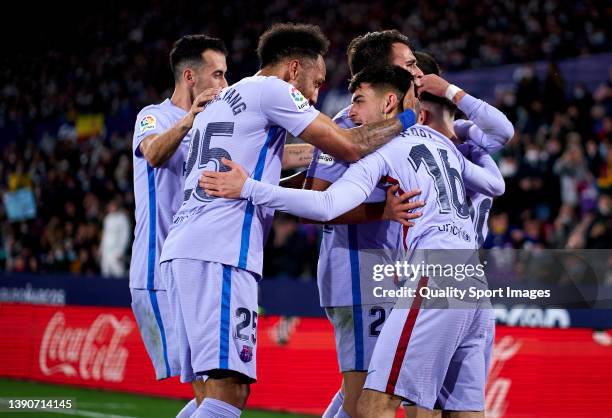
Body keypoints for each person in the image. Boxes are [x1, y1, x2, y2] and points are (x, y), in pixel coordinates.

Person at [200, 65, 505, 418]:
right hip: (475, 285)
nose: (352, 113)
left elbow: (326, 205)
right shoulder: (443, 144)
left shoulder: (383, 153)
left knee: (375, 403)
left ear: (389, 102)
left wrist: (249, 189)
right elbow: (495, 185)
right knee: (462, 411)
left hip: (434, 275)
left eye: (359, 101)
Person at [159, 23, 419, 418]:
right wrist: (407, 119)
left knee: (211, 394)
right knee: (229, 393)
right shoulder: (273, 90)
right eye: (315, 83)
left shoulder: (224, 100)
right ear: (293, 70)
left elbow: (290, 171)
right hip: (222, 252)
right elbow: (349, 145)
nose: (315, 96)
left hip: (185, 248)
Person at [305, 30, 425, 418]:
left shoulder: (397, 128)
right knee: (366, 401)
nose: (416, 70)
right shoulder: (348, 123)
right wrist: (382, 212)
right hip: (357, 275)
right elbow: (315, 196)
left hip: (385, 273)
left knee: (363, 393)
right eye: (407, 64)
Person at [129, 34, 228, 418]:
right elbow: (153, 153)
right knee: (213, 390)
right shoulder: (153, 116)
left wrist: (329, 149)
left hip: (196, 267)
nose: (224, 84)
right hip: (159, 268)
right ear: (190, 77)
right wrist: (191, 119)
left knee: (215, 391)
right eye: (217, 75)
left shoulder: (213, 126)